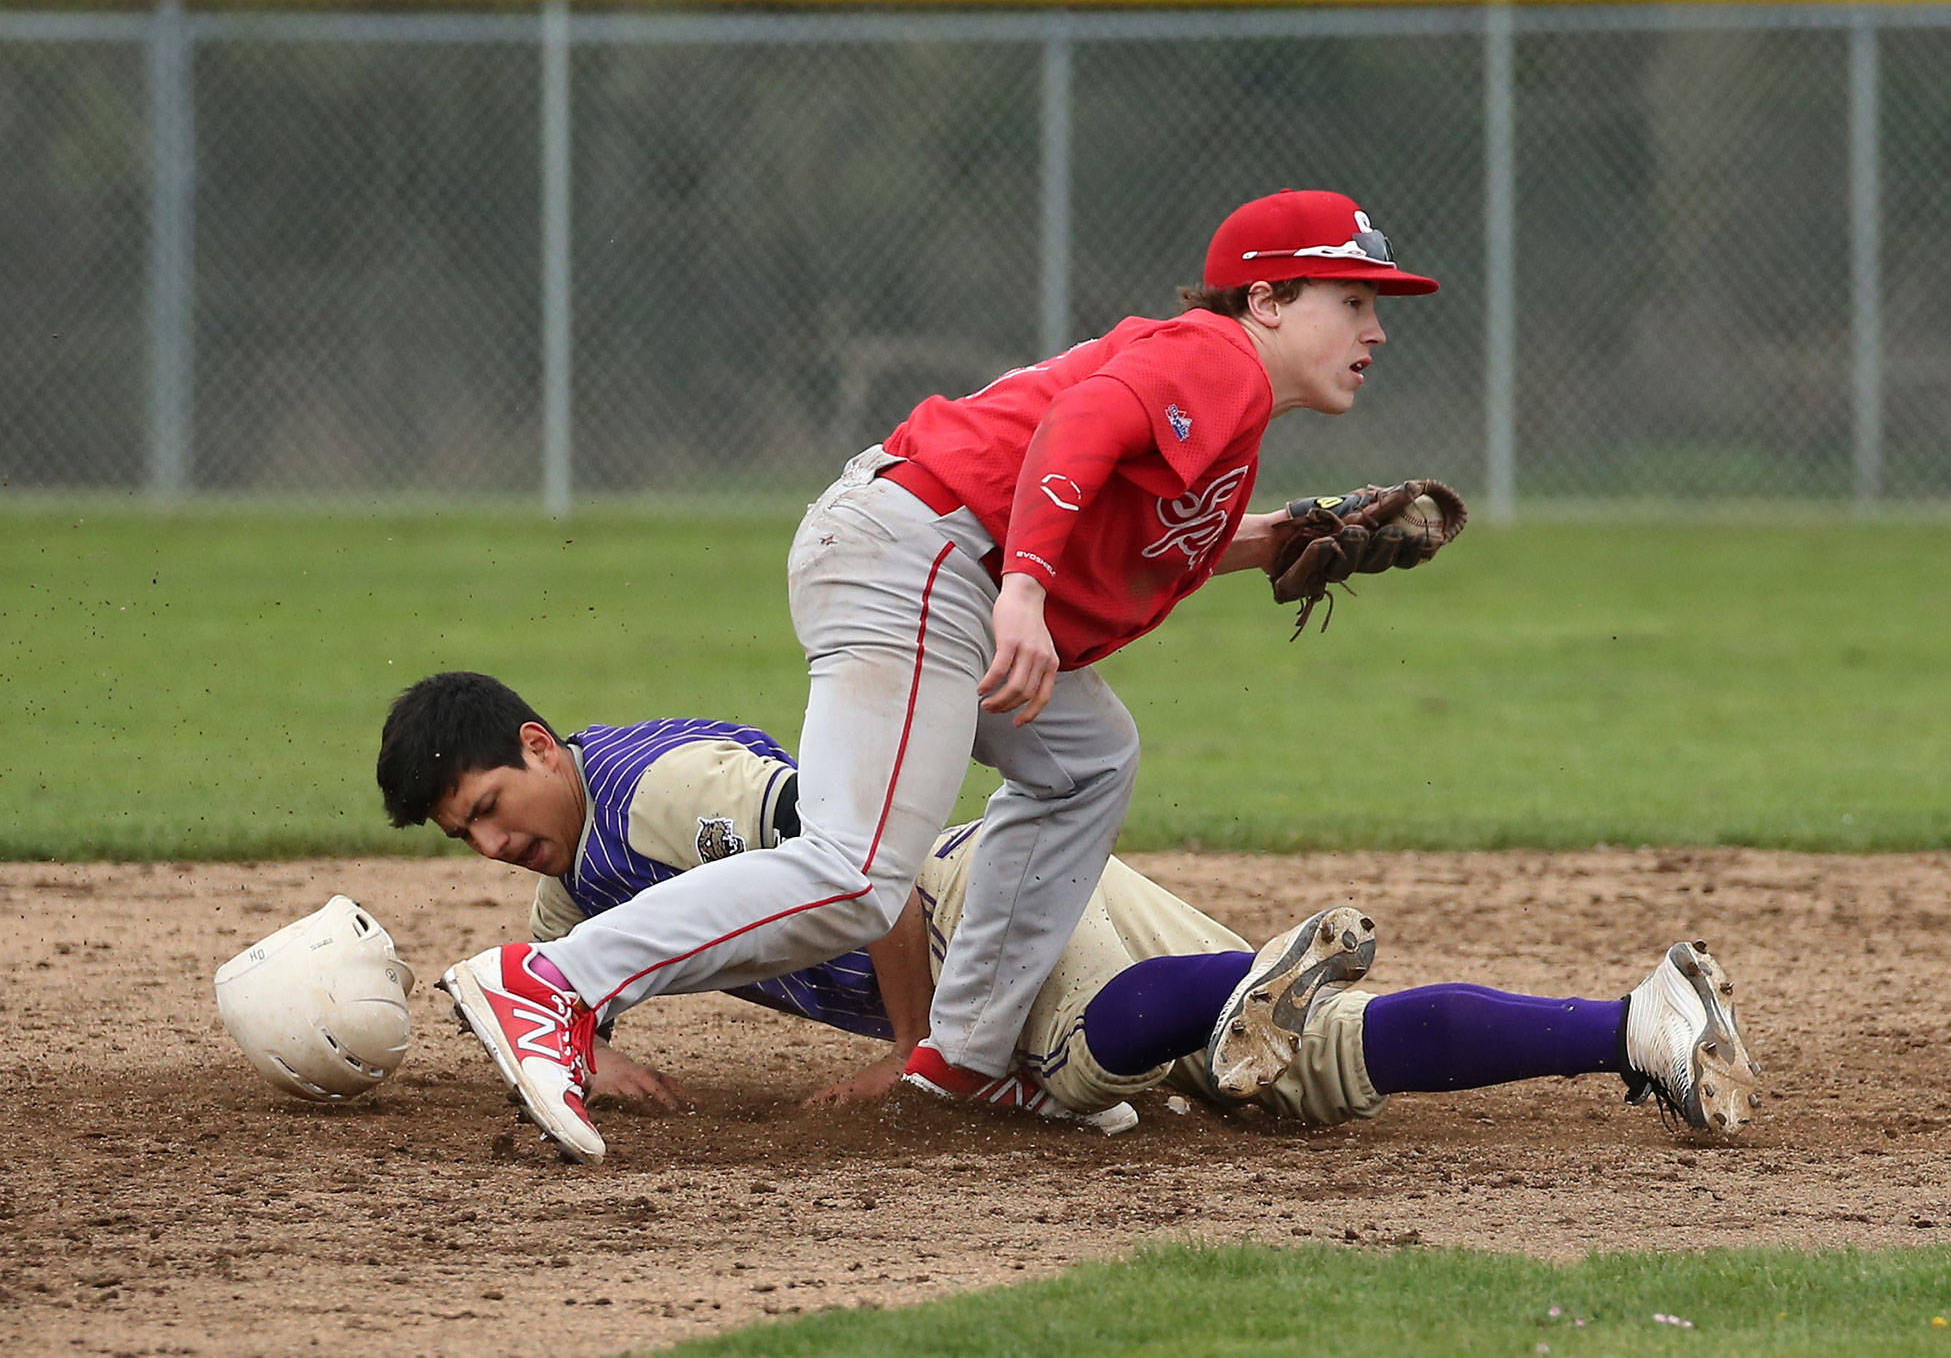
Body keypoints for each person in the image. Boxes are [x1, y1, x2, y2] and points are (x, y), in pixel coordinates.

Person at [419, 188, 1460, 1162]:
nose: (1373, 330)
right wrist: (1024, 590)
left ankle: (959, 1056)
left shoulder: (1226, 420)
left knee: (1087, 758)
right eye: (1352, 300)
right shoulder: (1218, 356)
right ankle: (552, 982)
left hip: (933, 555)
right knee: (855, 874)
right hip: (921, 554)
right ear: (1267, 300)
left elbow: (1139, 526)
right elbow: (1078, 429)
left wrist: (1273, 538)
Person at [378, 673, 1762, 1156]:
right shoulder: (575, 879)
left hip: (986, 909)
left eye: (493, 800)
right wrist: (596, 1037)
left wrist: (916, 1053)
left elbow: (865, 865)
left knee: (1075, 1070)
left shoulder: (666, 788)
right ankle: (1637, 1022)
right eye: (467, 837)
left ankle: (1214, 1009)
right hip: (1061, 895)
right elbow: (563, 981)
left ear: (541, 741)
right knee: (1314, 1065)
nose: (495, 843)